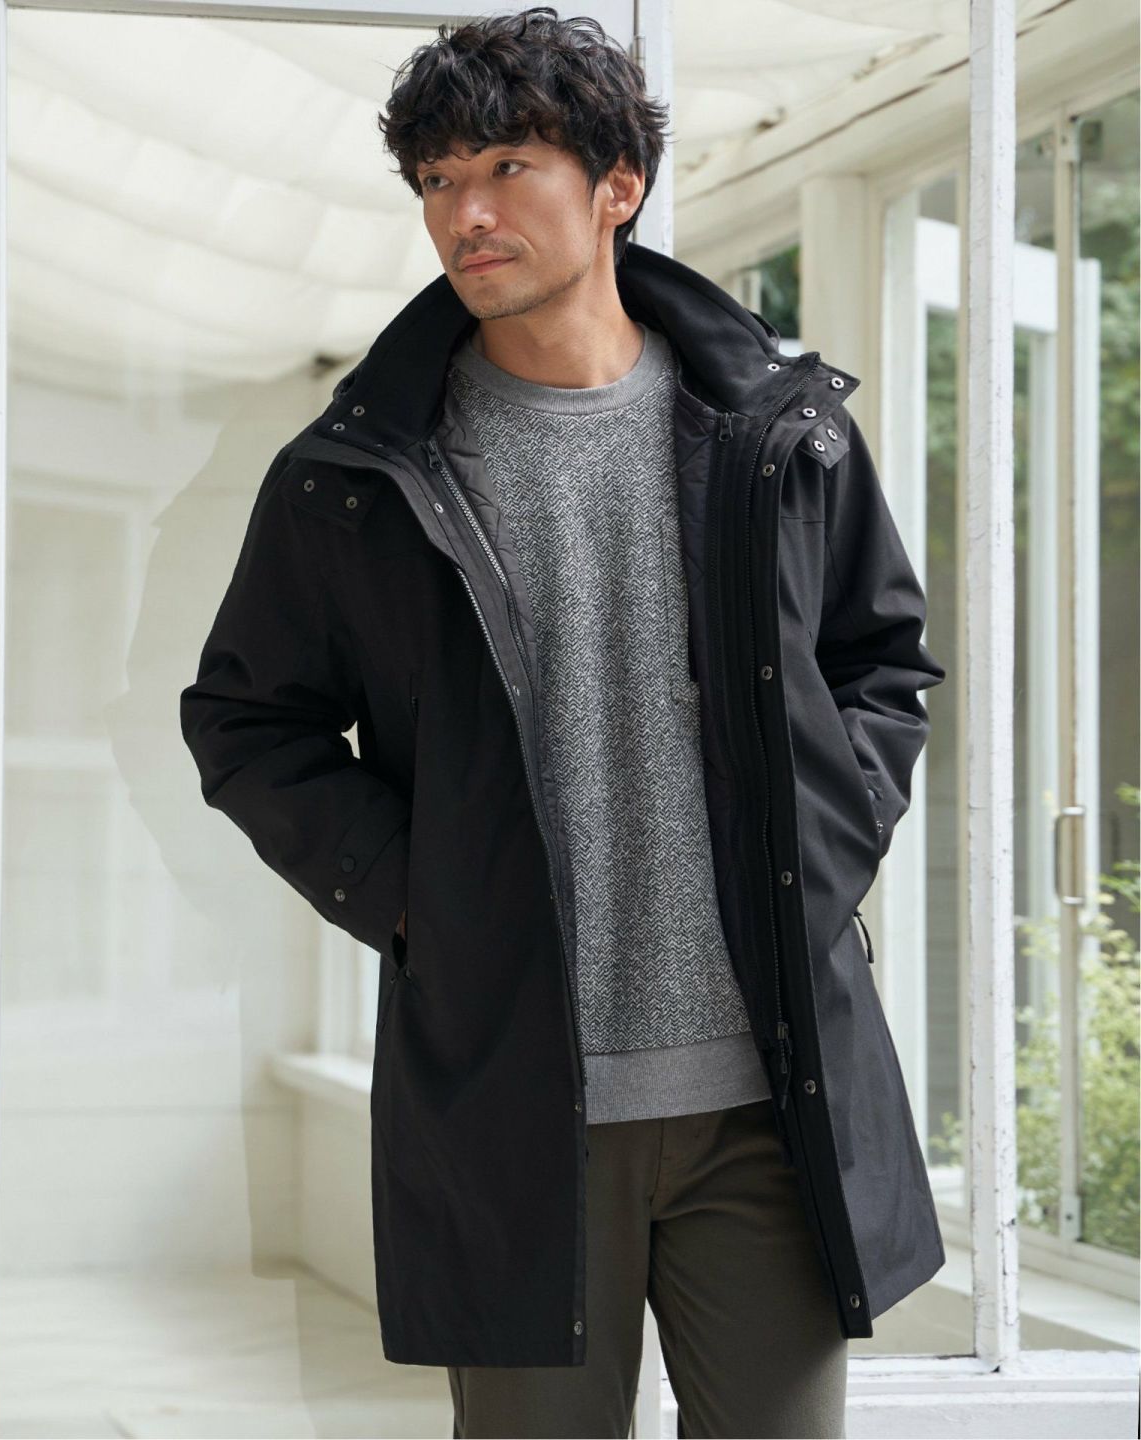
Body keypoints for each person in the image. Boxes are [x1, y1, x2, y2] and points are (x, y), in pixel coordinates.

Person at [180, 8, 946, 1438]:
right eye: (435, 180)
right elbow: (246, 720)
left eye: (505, 168)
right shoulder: (353, 478)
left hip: (768, 1101)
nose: (463, 214)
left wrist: (824, 846)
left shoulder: (779, 433)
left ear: (617, 188)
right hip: (514, 1101)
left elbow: (880, 661)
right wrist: (418, 896)